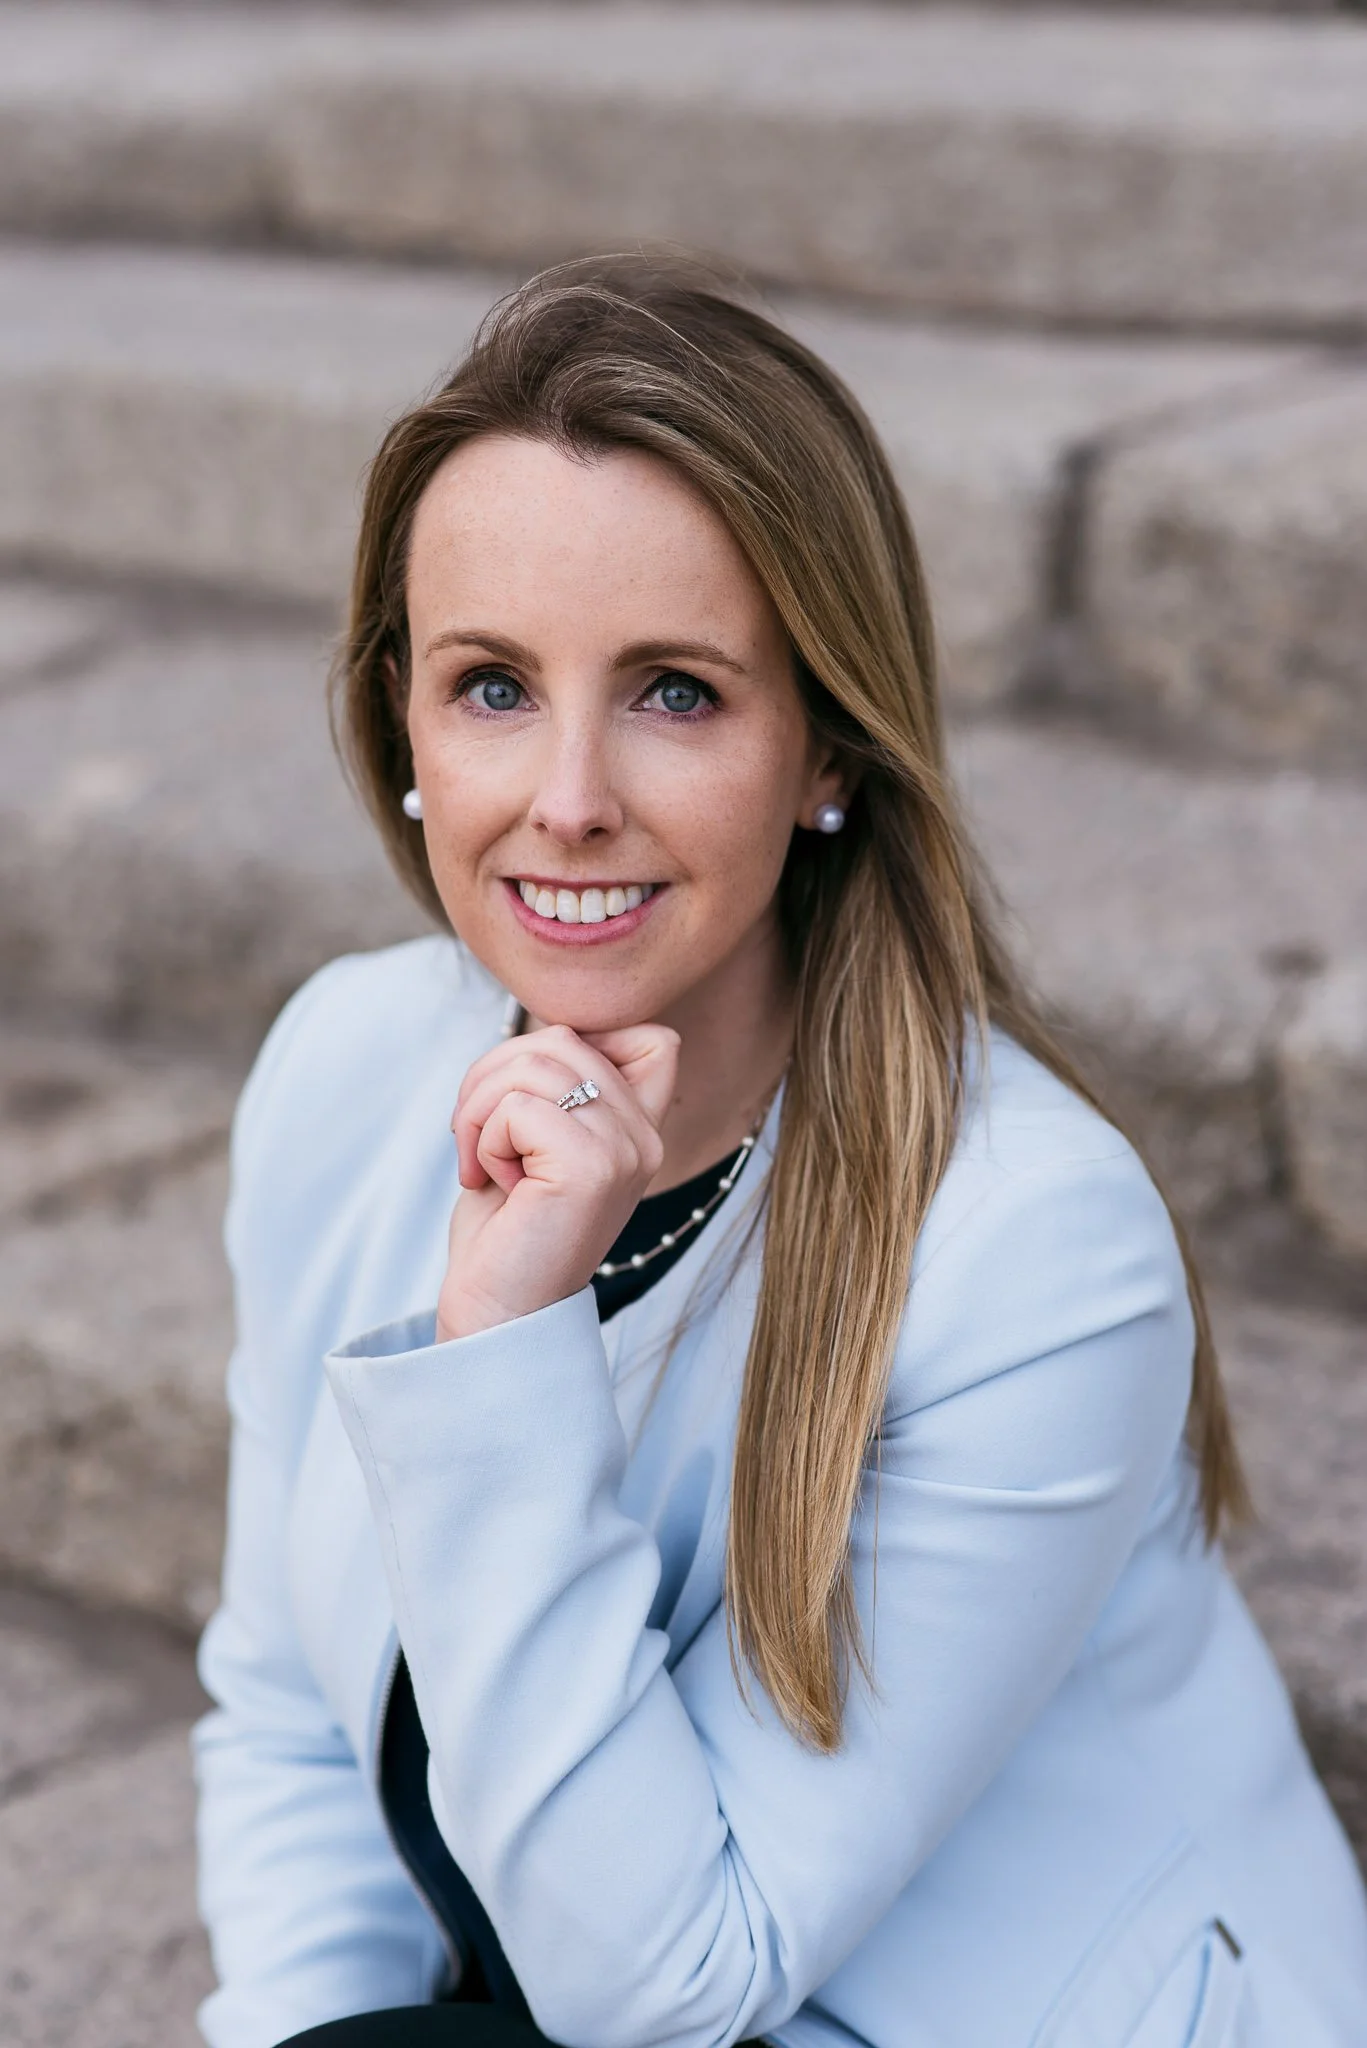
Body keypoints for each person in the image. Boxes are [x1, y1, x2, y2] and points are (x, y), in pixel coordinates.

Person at [193, 254, 1367, 2048]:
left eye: (673, 692)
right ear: (400, 722)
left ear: (824, 744)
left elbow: (677, 1980)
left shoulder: (1031, 1249)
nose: (566, 795)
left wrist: (503, 1349)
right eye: (491, 686)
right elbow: (283, 1700)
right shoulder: (347, 1072)